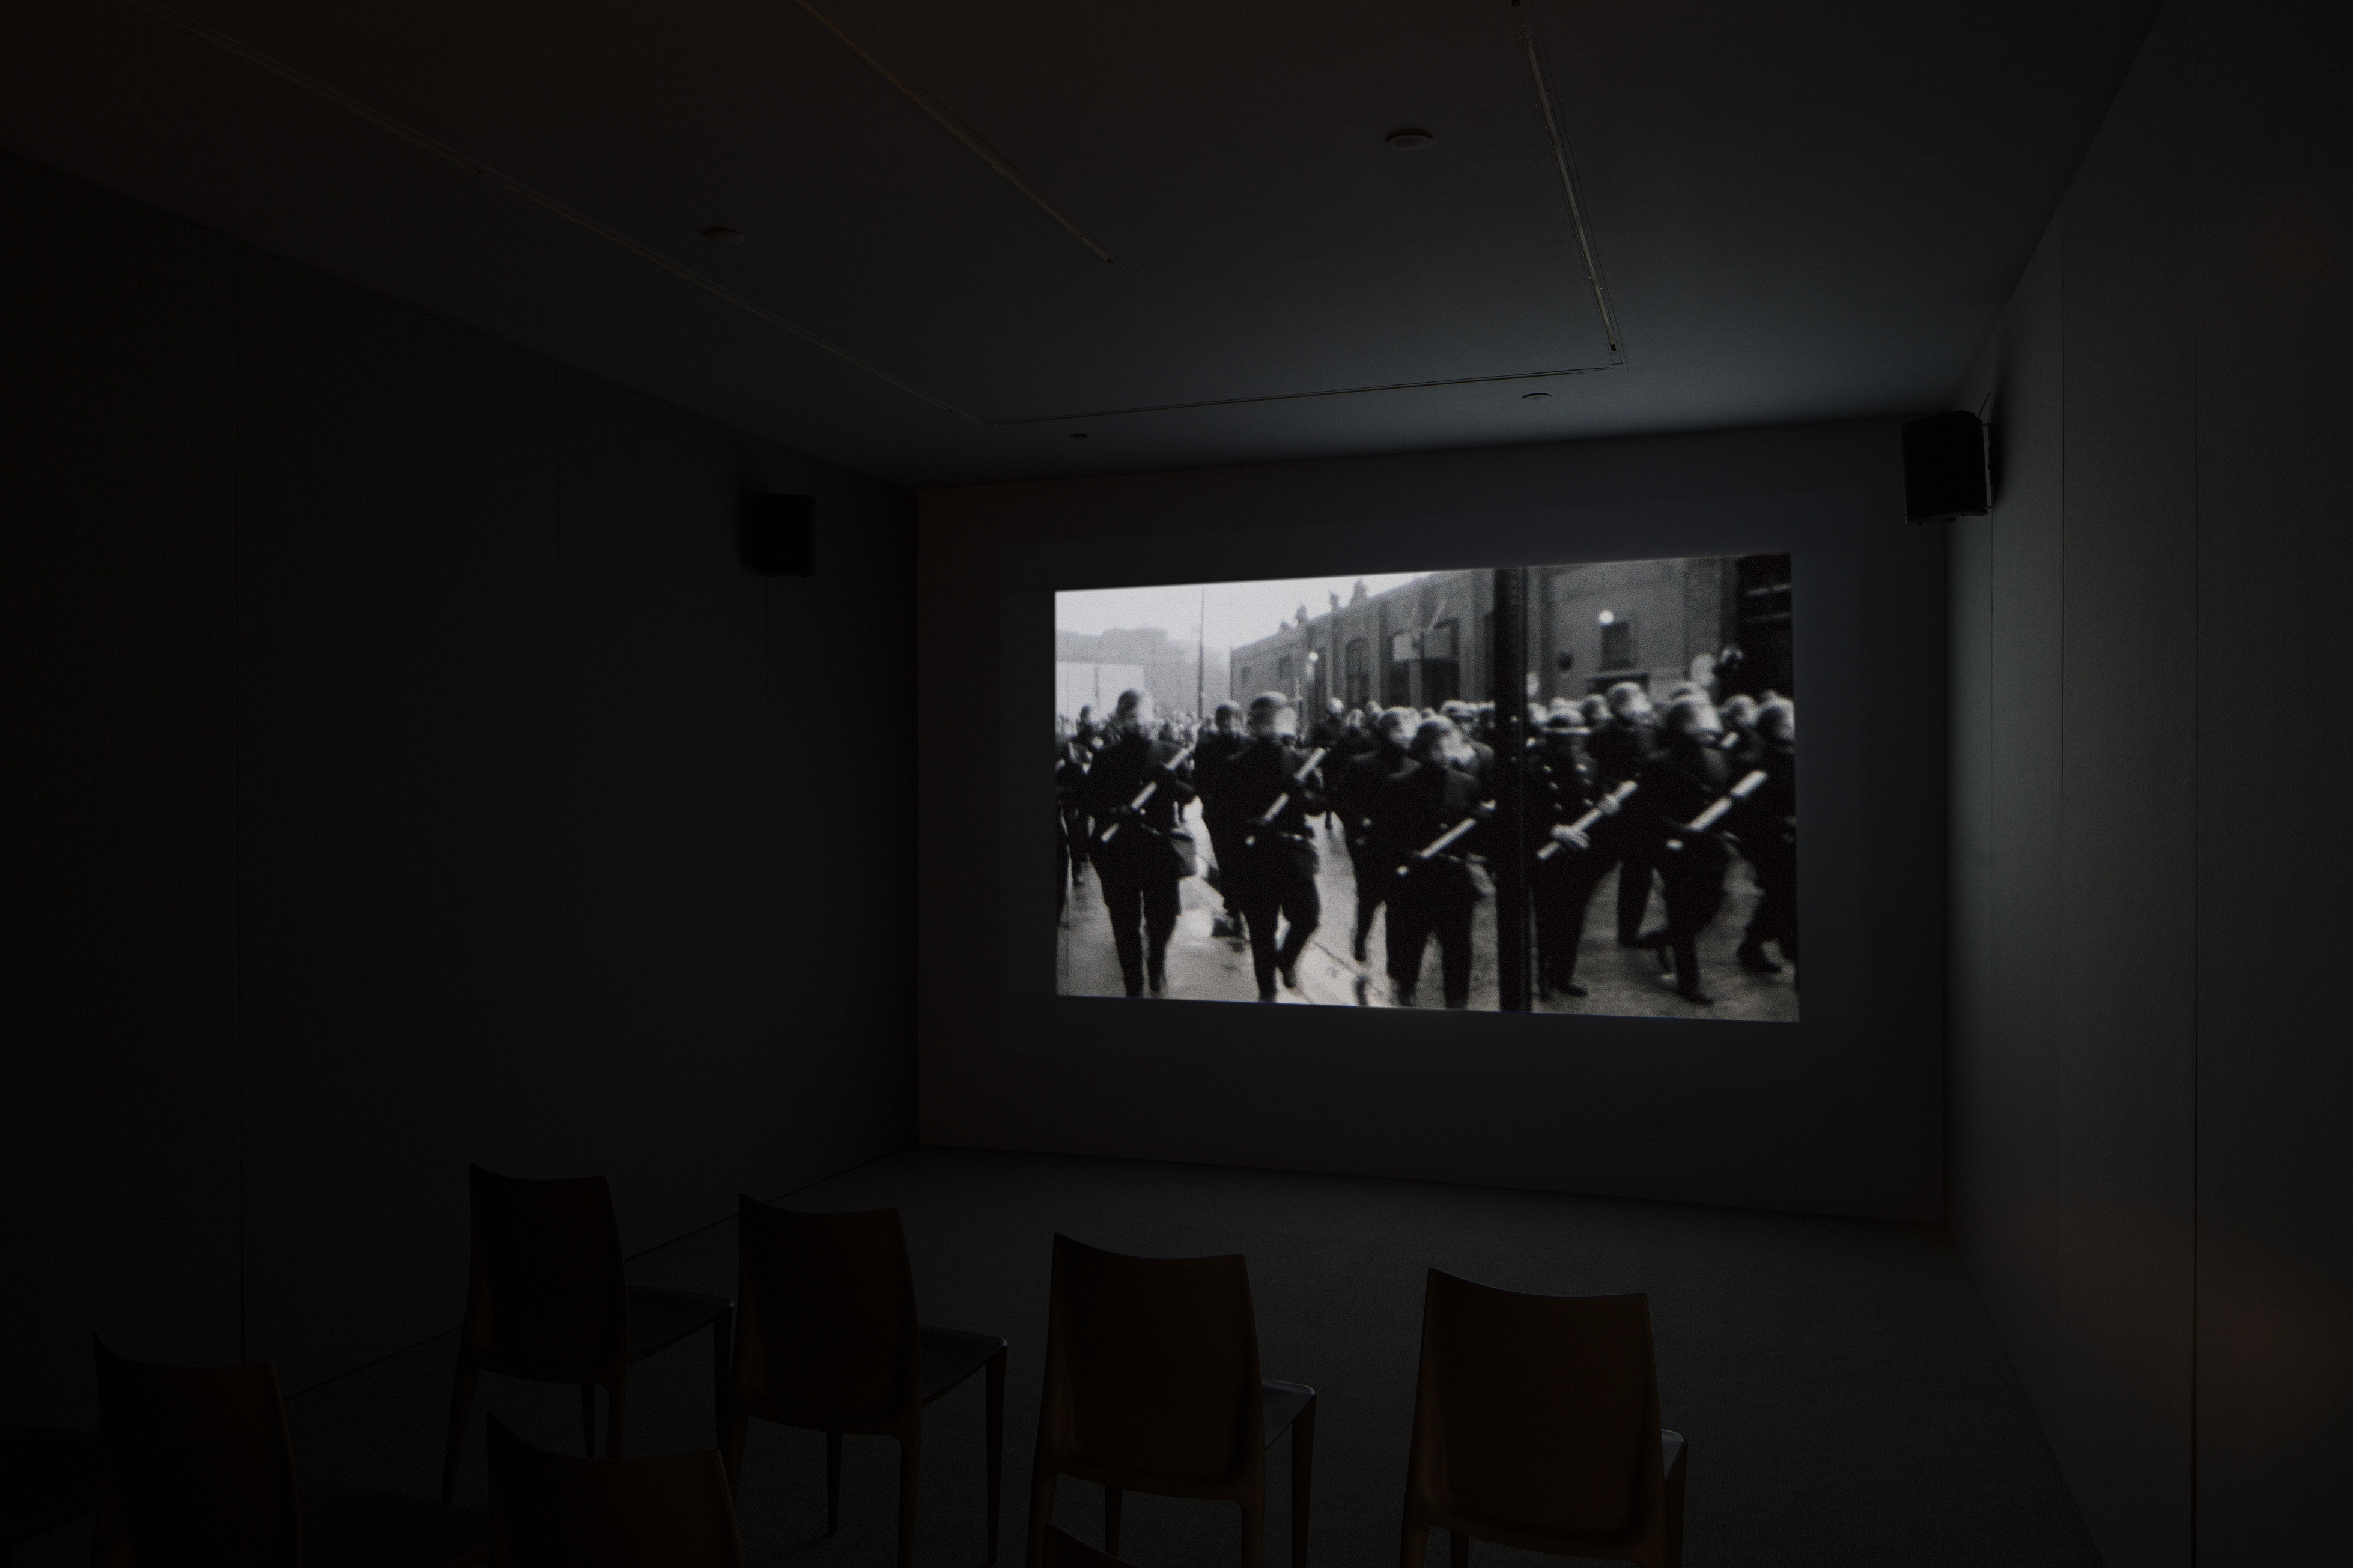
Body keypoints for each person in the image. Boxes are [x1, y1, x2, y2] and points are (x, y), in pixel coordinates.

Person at [1078, 689, 1195, 997]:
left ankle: (1156, 960)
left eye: (1141, 715)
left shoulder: (1170, 753)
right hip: (1120, 851)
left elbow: (1189, 794)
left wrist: (1172, 782)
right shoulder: (1106, 757)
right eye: (1130, 716)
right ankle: (1134, 984)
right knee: (1124, 922)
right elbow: (1089, 799)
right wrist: (1113, 811)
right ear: (1121, 720)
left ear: (1153, 718)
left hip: (1159, 849)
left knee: (1164, 918)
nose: (1137, 722)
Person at [1218, 693, 1327, 1000]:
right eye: (1264, 720)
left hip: (1293, 853)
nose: (1271, 727)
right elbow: (1224, 812)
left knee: (1308, 917)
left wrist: (1303, 793)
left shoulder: (1300, 762)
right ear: (1254, 724)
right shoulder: (1237, 764)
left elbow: (1320, 805)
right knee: (1262, 930)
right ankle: (1267, 993)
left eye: (1276, 720)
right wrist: (1248, 823)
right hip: (1256, 856)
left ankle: (1287, 959)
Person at [1381, 718, 1489, 1008]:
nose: (1444, 754)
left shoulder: (1467, 784)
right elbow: (1388, 835)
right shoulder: (1402, 784)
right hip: (1418, 878)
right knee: (1413, 940)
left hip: (1454, 879)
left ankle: (1457, 1004)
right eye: (1438, 748)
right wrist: (1404, 854)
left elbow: (1480, 843)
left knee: (1457, 948)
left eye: (1449, 746)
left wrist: (1482, 824)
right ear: (1424, 749)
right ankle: (1407, 986)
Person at [1633, 696, 1734, 1004]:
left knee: (1710, 907)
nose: (1704, 729)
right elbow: (1646, 813)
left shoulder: (1716, 759)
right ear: (1680, 725)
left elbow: (1722, 798)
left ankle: (1663, 938)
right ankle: (1688, 983)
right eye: (1694, 722)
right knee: (1681, 907)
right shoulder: (1658, 763)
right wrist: (1678, 830)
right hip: (1675, 850)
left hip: (1712, 848)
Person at [1527, 709, 1621, 999]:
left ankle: (1563, 976)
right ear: (1551, 740)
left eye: (1577, 739)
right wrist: (1553, 831)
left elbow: (1598, 799)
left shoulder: (1590, 766)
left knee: (1574, 918)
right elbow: (1522, 815)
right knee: (1548, 920)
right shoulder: (1533, 768)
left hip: (1582, 855)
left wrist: (1607, 805)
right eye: (1563, 740)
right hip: (1549, 855)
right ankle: (1543, 978)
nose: (1571, 746)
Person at [1335, 706, 1418, 964]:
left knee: (1399, 905)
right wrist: (1360, 827)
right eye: (1399, 730)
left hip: (1403, 845)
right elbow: (1343, 800)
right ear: (1385, 732)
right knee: (1369, 899)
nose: (1405, 736)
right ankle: (1361, 938)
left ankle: (1395, 962)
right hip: (1372, 843)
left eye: (1408, 730)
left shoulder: (1414, 766)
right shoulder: (1362, 765)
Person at [1586, 682, 1663, 943]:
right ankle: (1570, 917)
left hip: (1641, 815)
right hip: (1610, 814)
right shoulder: (1599, 735)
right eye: (1629, 702)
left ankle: (1628, 932)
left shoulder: (1651, 733)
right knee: (1596, 868)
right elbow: (1589, 772)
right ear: (1615, 706)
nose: (1636, 707)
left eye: (1639, 700)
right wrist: (1606, 790)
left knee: (1639, 872)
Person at [1734, 697, 1798, 975]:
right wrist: (1782, 824)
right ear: (1772, 728)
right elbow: (1747, 811)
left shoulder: (1795, 755)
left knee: (1779, 897)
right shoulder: (1753, 763)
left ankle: (1752, 944)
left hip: (1793, 842)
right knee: (1786, 897)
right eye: (1787, 723)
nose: (1794, 727)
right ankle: (1795, 956)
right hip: (1770, 843)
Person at [1191, 702, 1253, 942]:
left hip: (1244, 813)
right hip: (1220, 813)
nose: (1227, 723)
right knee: (1227, 861)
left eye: (1231, 718)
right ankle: (1234, 909)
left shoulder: (1249, 745)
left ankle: (1241, 907)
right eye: (1223, 719)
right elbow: (1200, 779)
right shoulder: (1206, 747)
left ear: (1238, 719)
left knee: (1243, 861)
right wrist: (1209, 802)